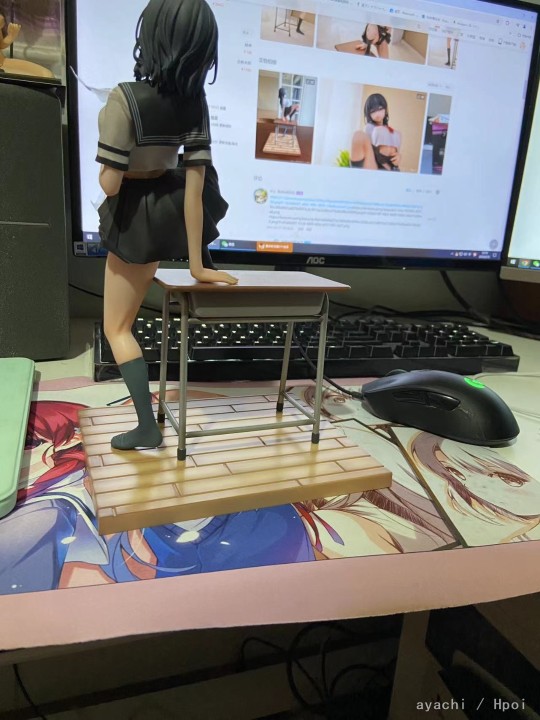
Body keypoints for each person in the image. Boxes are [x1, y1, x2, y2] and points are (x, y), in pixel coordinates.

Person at [96, 0, 237, 452]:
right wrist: (198, 264)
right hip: (169, 207)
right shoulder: (195, 102)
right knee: (126, 322)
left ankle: (145, 426)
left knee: (118, 328)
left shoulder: (124, 98)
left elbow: (110, 184)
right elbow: (195, 191)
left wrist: (110, 141)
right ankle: (147, 423)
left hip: (135, 216)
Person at [364, 93, 401, 171]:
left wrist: (397, 156)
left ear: (385, 109)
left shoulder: (386, 128)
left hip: (392, 168)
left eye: (380, 109)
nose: (377, 114)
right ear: (368, 114)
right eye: (373, 111)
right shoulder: (369, 127)